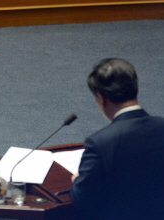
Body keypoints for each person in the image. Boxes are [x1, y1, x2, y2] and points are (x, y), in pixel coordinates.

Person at [70, 58, 164, 220]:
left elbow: (83, 200)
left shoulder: (100, 143)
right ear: (136, 88)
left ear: (101, 98)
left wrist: (77, 180)